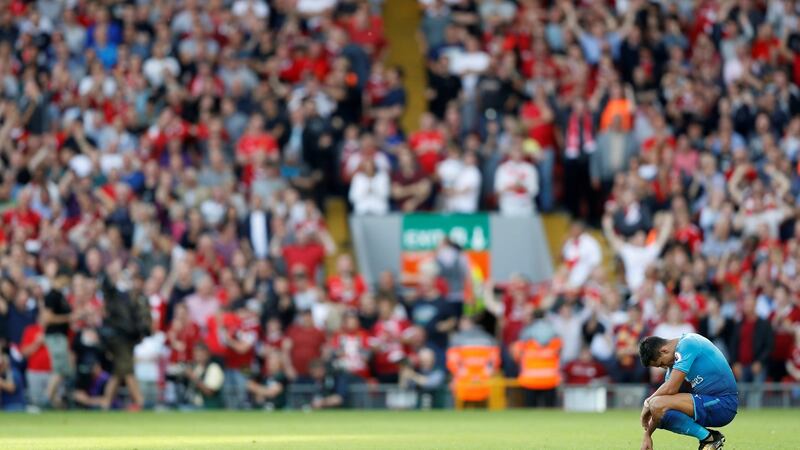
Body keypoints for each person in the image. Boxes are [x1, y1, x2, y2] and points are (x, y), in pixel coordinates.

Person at [638, 333, 737, 450]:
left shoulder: (688, 343)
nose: (664, 367)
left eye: (661, 363)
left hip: (724, 404)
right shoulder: (673, 365)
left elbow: (670, 389)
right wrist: (647, 435)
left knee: (656, 404)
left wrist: (647, 403)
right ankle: (709, 438)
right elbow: (659, 407)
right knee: (658, 413)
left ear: (664, 351)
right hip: (709, 403)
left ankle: (710, 439)